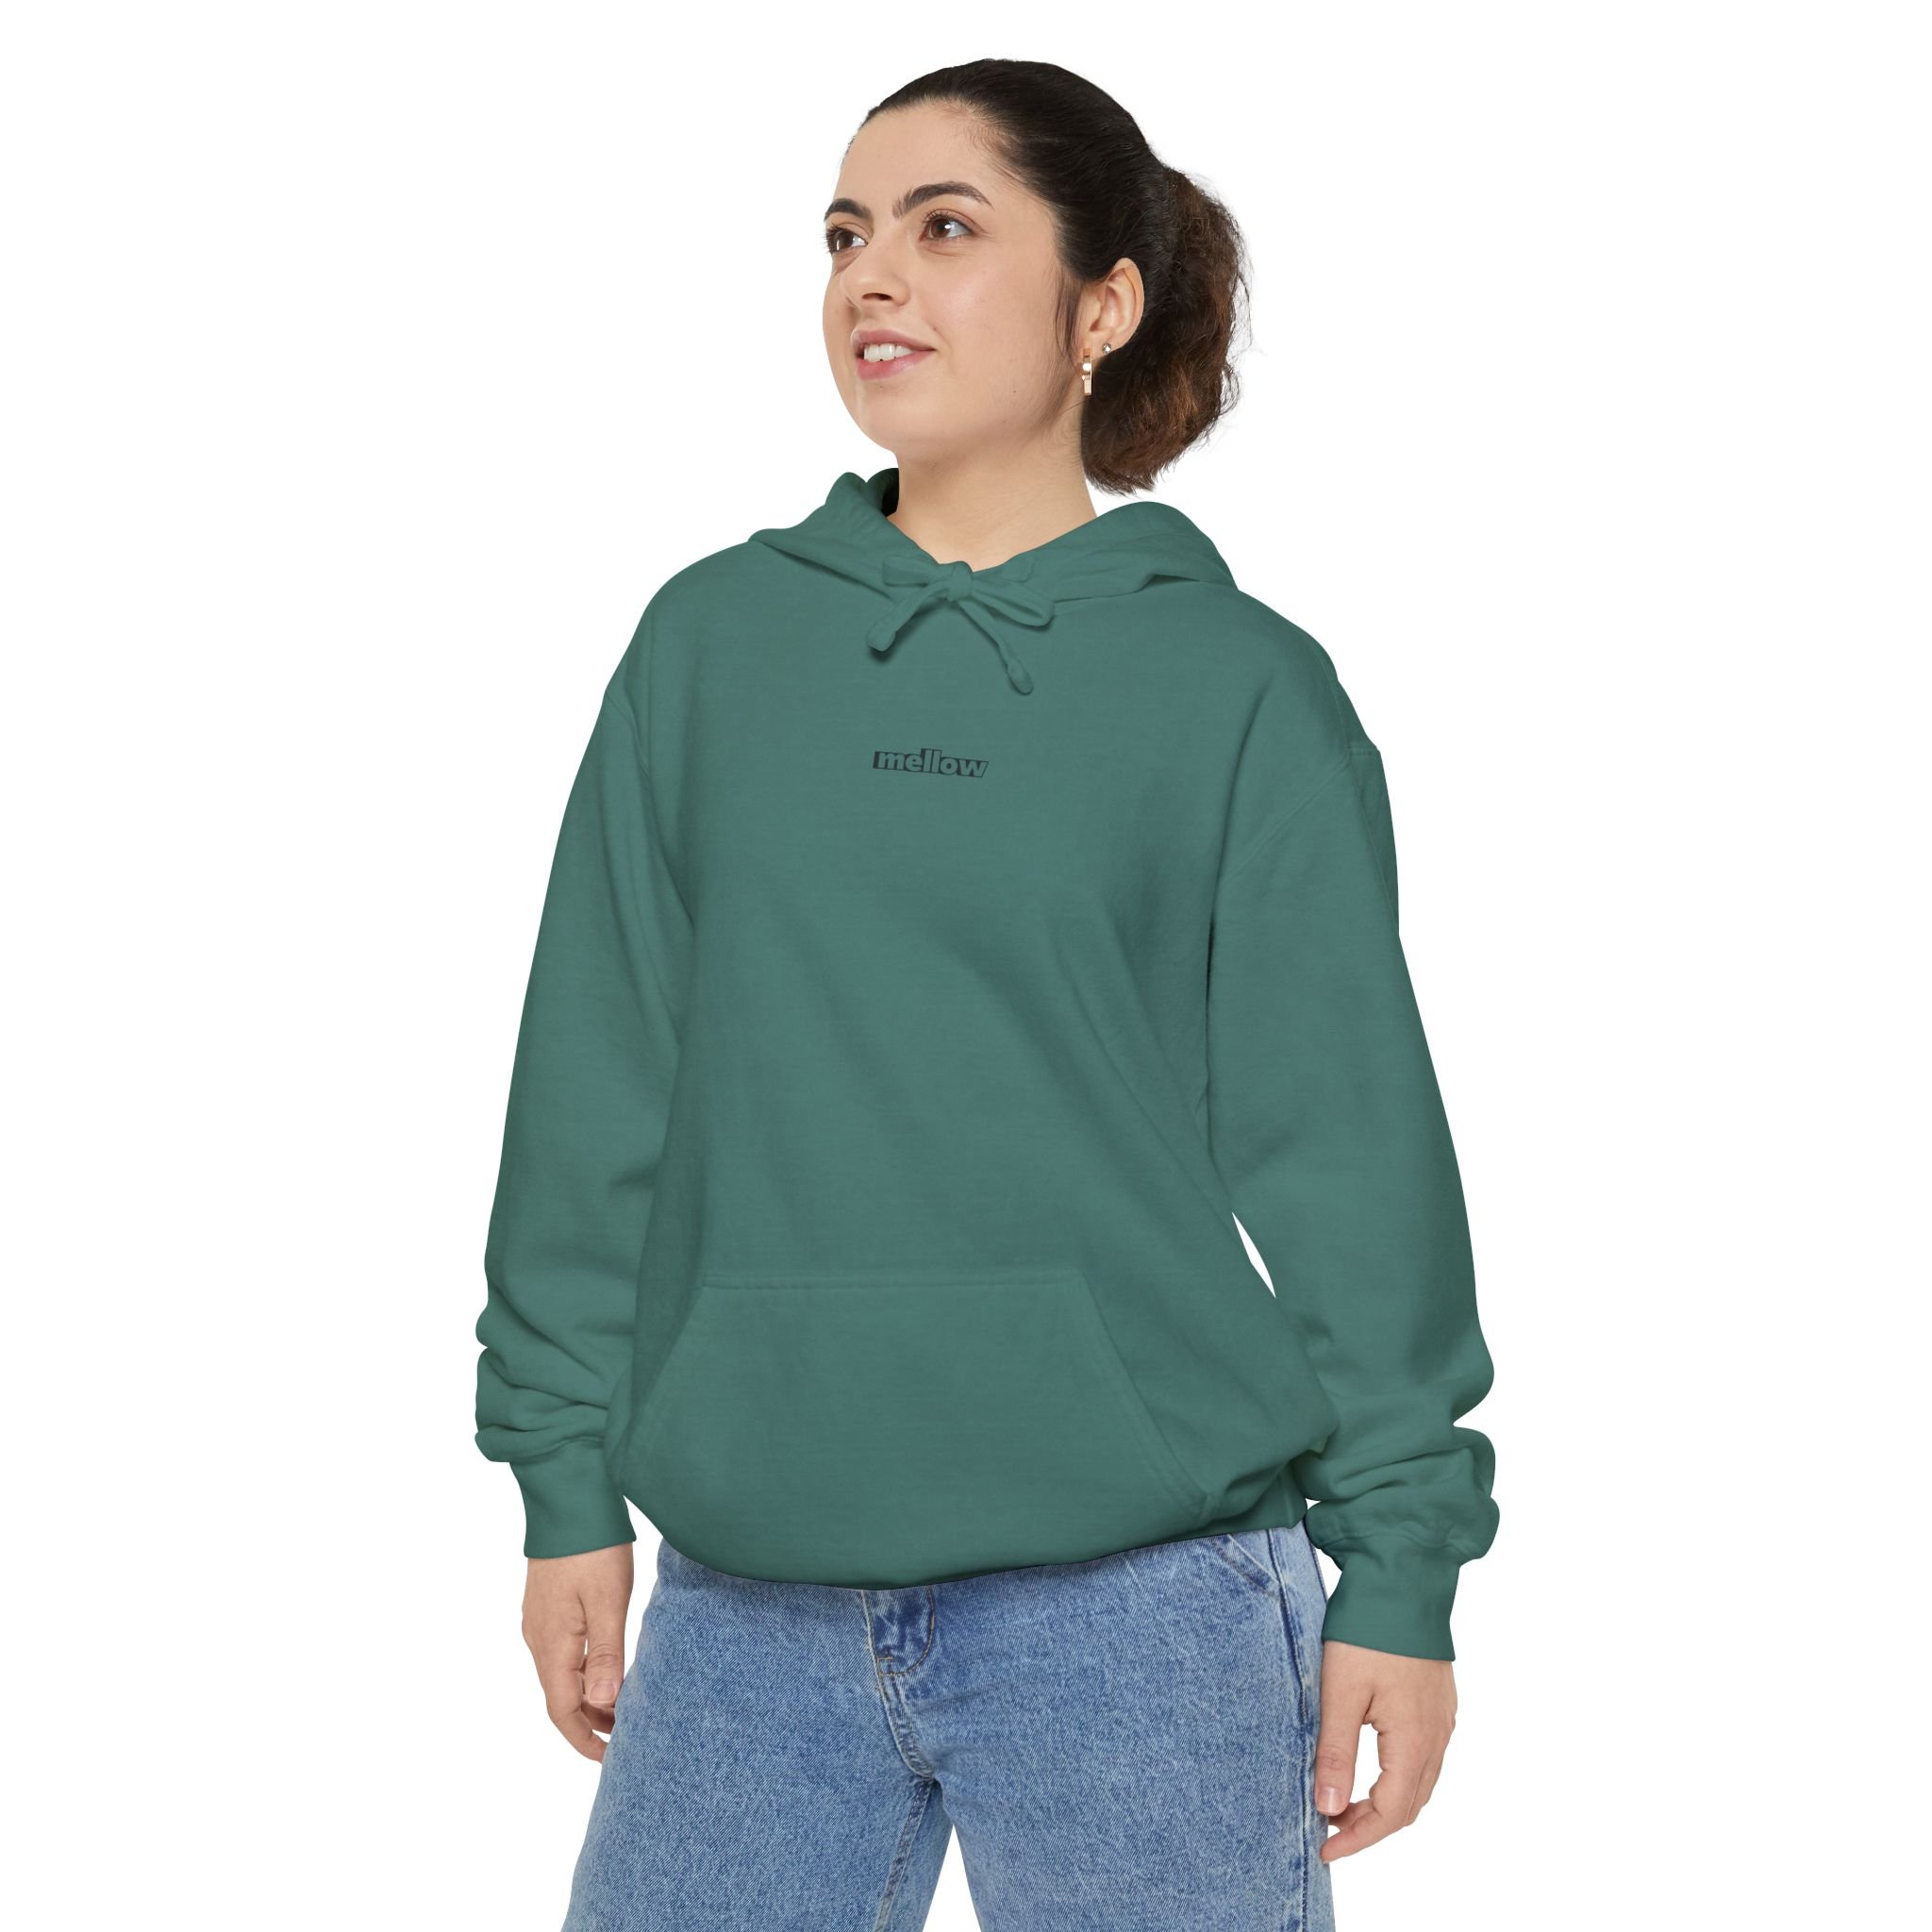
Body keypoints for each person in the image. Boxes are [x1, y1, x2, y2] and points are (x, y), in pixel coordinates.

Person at [474, 57, 1499, 1932]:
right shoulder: (712, 649)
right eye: (845, 235)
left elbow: (1347, 1157)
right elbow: (597, 1089)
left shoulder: (1238, 688)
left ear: (1103, 306)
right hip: (745, 1604)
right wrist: (560, 1481)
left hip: (1148, 1607)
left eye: (946, 228)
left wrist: (1404, 1575)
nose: (874, 277)